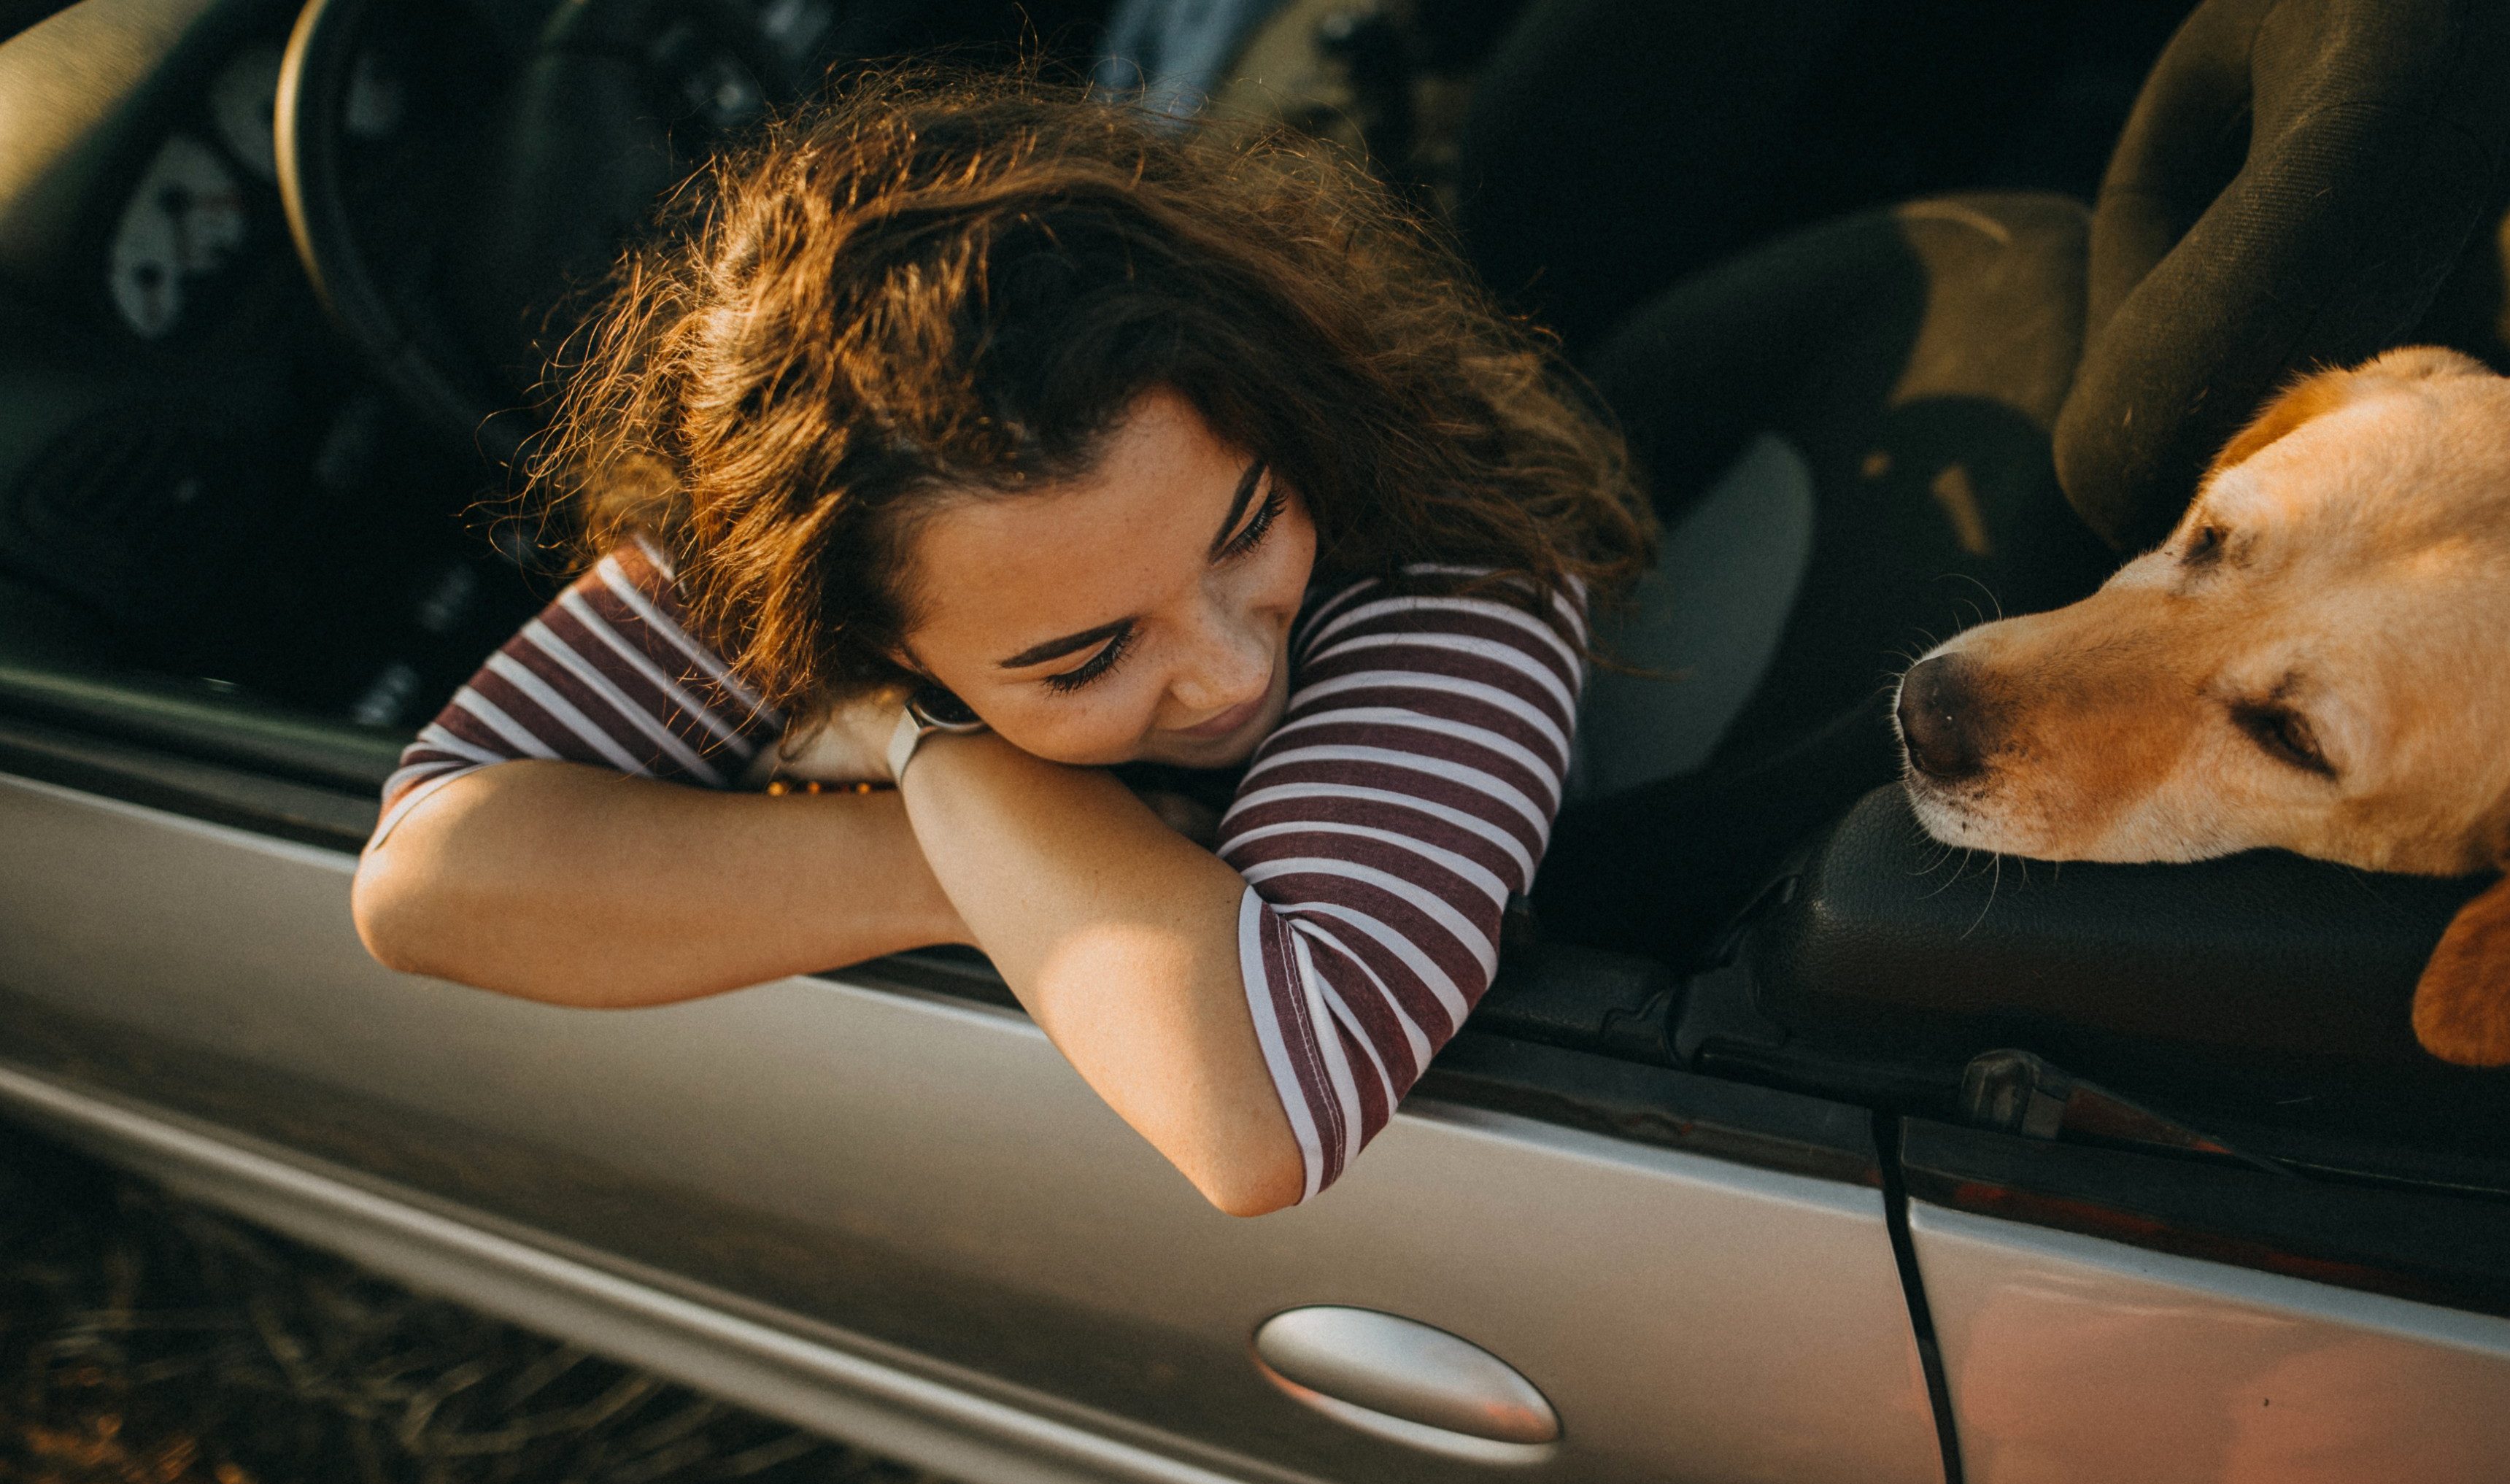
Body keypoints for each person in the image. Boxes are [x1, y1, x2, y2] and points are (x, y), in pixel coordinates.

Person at [347, 71, 1654, 1217]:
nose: (1234, 669)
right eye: (1085, 657)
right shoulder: (833, 530)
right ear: (875, 640)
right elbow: (423, 882)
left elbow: (1263, 1113)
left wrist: (917, 746)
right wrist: (947, 851)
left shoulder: (1457, 553)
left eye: (1248, 527)